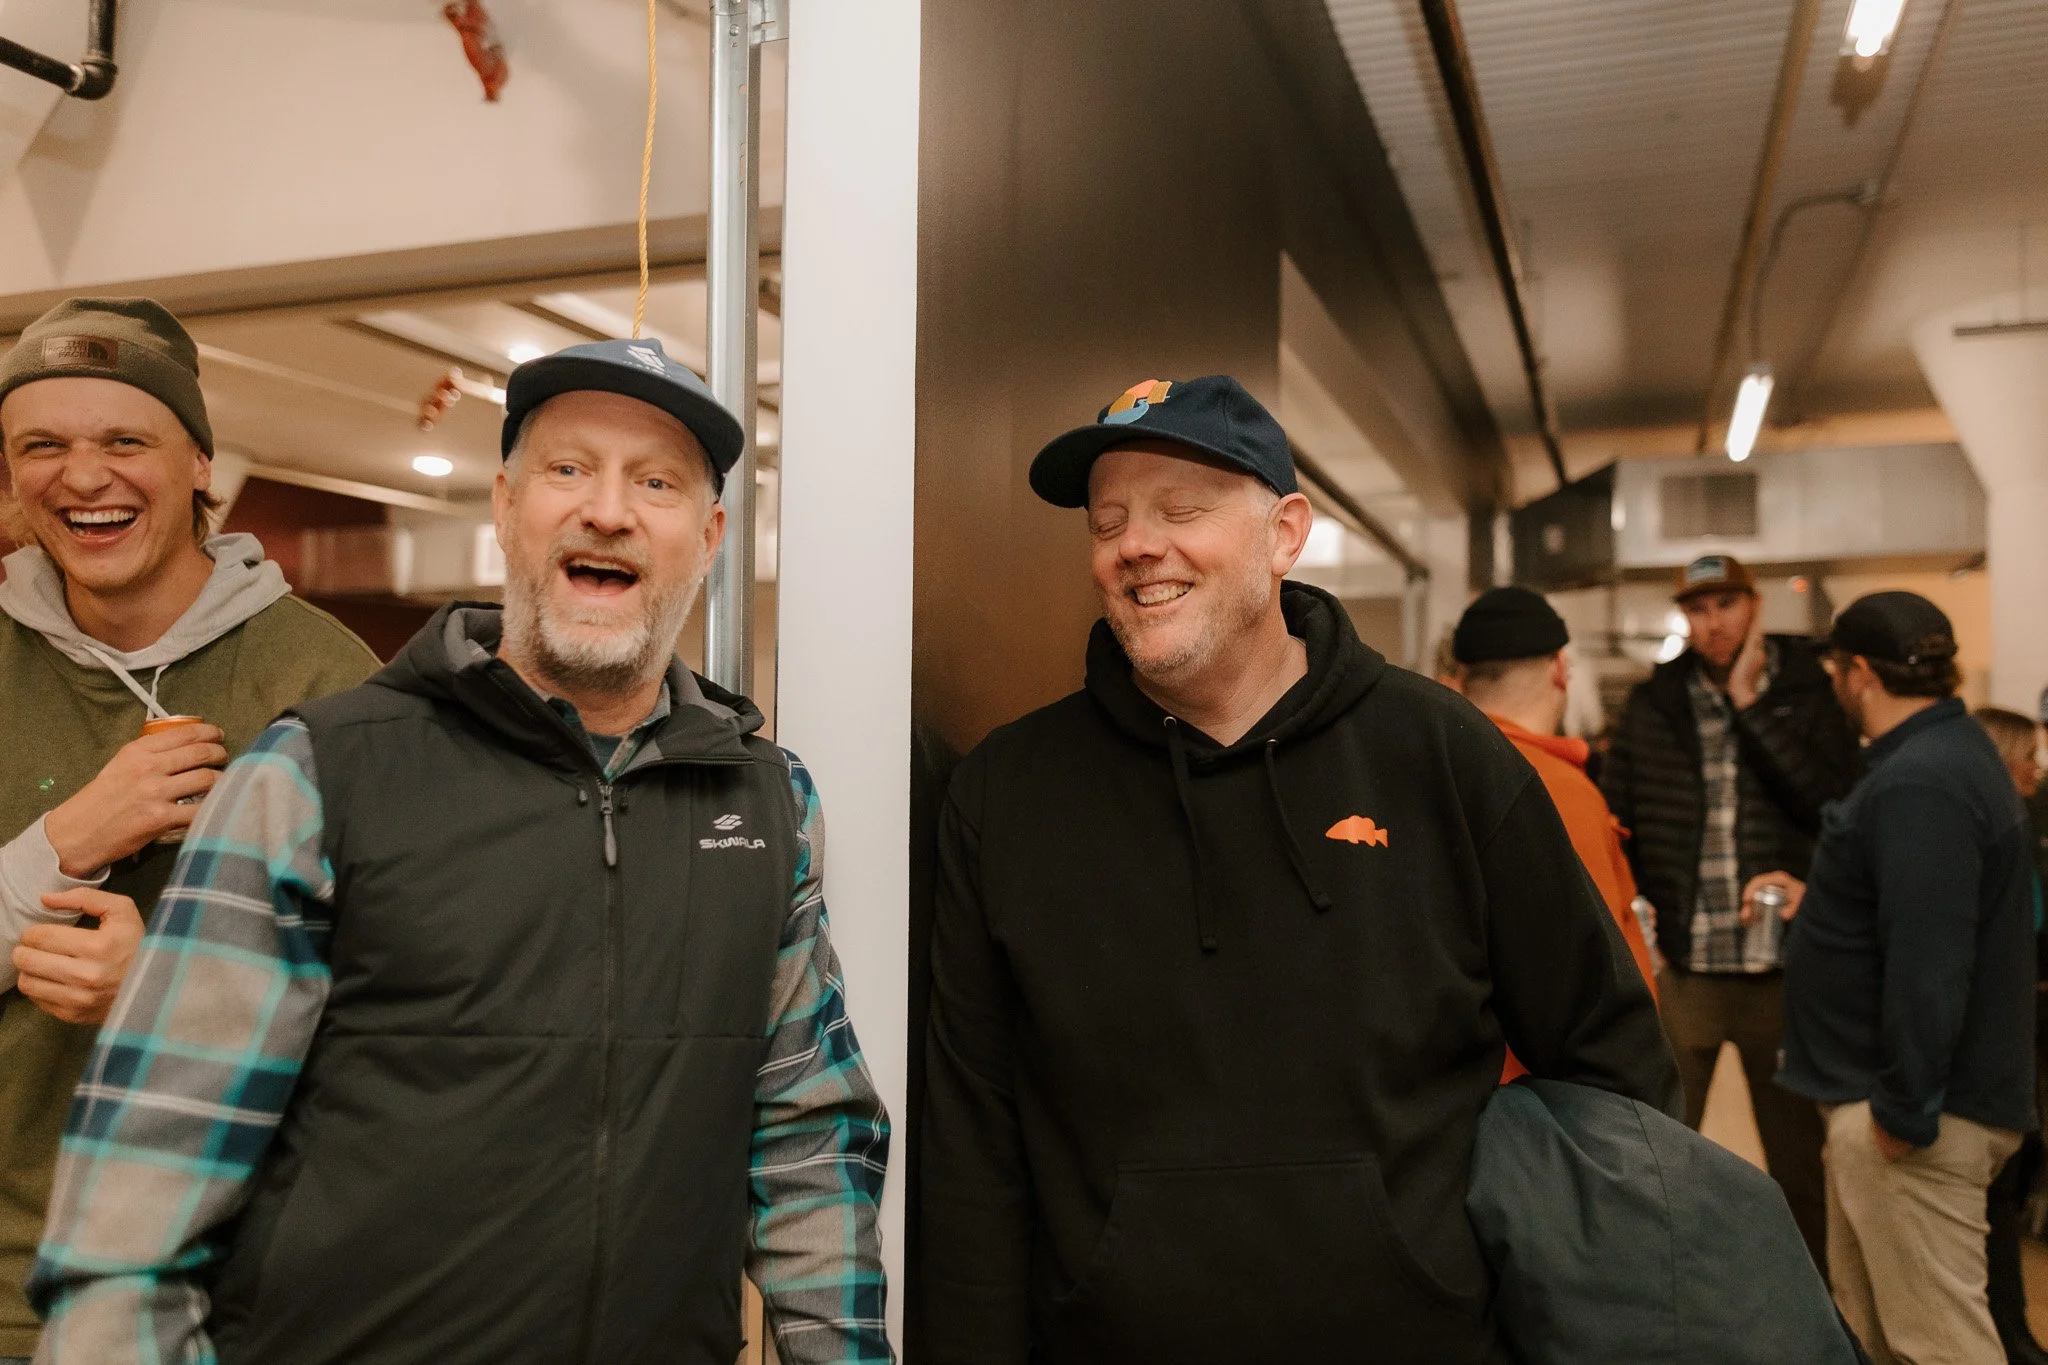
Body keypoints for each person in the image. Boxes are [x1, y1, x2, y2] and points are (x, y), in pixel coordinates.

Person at [29, 340, 892, 1364]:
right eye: (567, 469)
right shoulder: (316, 773)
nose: (607, 509)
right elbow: (138, 1196)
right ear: (503, 505)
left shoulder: (768, 803)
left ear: (706, 539)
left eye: (654, 482)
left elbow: (809, 1142)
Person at [920, 374, 1677, 1363]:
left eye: (1177, 510)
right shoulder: (1007, 794)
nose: (1134, 546)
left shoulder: (1438, 755)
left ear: (1284, 534)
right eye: (1106, 523)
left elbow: (1609, 1071)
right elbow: (972, 1142)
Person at [0, 298, 379, 1365]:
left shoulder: (333, 685)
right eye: (43, 445)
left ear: (200, 462)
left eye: (125, 440)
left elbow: (410, 1014)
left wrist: (164, 992)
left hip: (250, 1287)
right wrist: (59, 844)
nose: (83, 478)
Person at [1773, 593, 2036, 1365]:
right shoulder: (1942, 759)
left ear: (1858, 672)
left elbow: (1932, 958)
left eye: (1833, 668)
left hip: (1916, 1121)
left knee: (1941, 1347)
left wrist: (1902, 1108)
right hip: (1904, 1110)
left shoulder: (1923, 778)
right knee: (1890, 1338)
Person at [1600, 553, 1862, 1264]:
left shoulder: (1810, 692)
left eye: (1726, 605)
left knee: (1798, 1163)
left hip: (1784, 969)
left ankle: (1812, 1307)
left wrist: (1749, 704)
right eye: (1698, 608)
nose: (1713, 623)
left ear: (1754, 606)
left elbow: (1836, 806)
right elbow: (1616, 812)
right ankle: (1668, 1297)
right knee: (1658, 1149)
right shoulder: (1658, 700)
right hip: (1686, 965)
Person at [1451, 586, 1660, 1061]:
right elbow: (1594, 975)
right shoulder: (1555, 790)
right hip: (1544, 1094)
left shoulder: (1425, 772)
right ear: (1561, 670)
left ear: (1460, 678)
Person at [1973, 705, 2048, 1365]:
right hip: (1994, 1036)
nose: (2036, 765)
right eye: (2027, 753)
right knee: (1991, 1194)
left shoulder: (2026, 826)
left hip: (2021, 1026)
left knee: (2008, 1186)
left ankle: (2013, 1326)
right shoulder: (1991, 832)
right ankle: (2006, 1332)